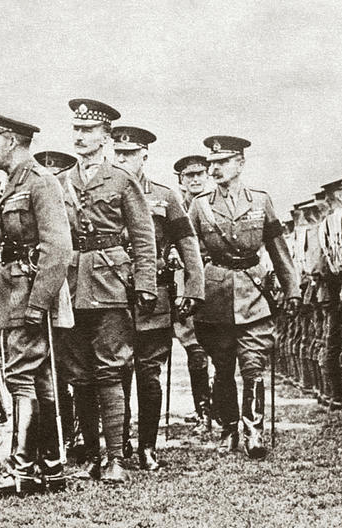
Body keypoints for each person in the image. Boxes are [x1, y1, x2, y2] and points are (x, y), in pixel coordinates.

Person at [55, 99, 157, 484]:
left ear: (105, 137)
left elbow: (144, 236)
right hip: (72, 282)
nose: (80, 137)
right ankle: (92, 454)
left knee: (111, 367)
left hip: (111, 281)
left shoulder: (121, 180)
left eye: (88, 131)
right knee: (79, 372)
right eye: (76, 130)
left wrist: (145, 284)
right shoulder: (62, 180)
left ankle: (115, 457)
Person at [0, 111, 72, 495]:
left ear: (11, 141)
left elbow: (58, 247)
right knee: (40, 378)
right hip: (14, 289)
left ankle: (21, 471)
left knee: (19, 376)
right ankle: (50, 466)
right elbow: (9, 251)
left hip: (29, 292)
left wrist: (38, 302)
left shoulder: (39, 182)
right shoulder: (14, 183)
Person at [189, 135, 300, 459]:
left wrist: (291, 290)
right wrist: (190, 294)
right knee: (222, 368)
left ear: (240, 163)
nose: (215, 169)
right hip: (215, 297)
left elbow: (279, 251)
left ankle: (254, 432)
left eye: (222, 163)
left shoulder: (261, 202)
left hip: (254, 294)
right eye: (212, 164)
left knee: (253, 366)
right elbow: (191, 254)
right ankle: (230, 428)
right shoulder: (200, 206)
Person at [112, 127, 204, 470]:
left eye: (129, 154)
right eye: (117, 153)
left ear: (144, 156)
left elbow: (188, 243)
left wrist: (194, 287)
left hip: (155, 299)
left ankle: (147, 447)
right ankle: (118, 442)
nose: (121, 160)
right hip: (114, 295)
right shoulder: (105, 192)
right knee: (116, 371)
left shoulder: (165, 197)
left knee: (149, 373)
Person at [173, 155, 213, 427]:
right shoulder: (174, 206)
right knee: (195, 351)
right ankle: (203, 411)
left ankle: (220, 406)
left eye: (200, 174)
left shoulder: (215, 205)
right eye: (190, 176)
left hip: (214, 282)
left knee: (218, 349)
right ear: (181, 180)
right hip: (185, 284)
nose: (196, 179)